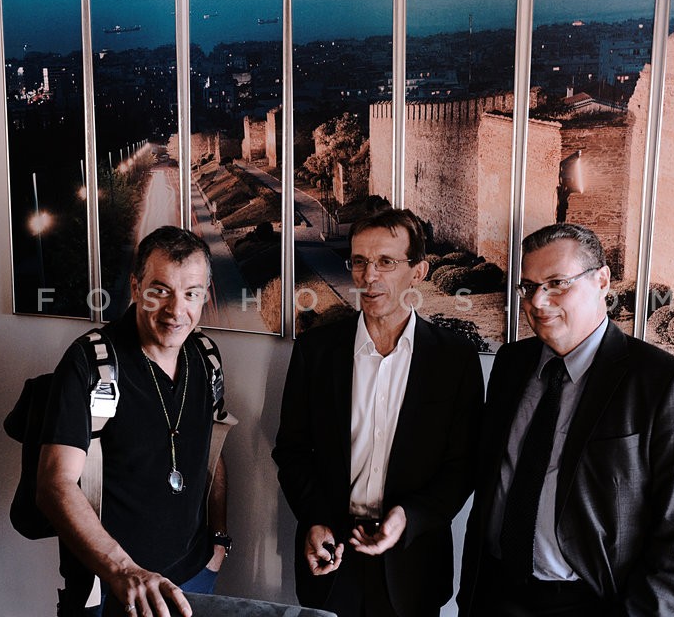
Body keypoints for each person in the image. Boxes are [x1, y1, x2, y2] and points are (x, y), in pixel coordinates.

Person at [457, 223, 674, 617]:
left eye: (557, 283)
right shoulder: (511, 364)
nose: (538, 301)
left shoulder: (664, 382)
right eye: (528, 287)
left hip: (599, 602)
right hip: (497, 595)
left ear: (602, 281)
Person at [273, 207, 484, 617]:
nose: (369, 276)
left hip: (413, 564)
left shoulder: (454, 359)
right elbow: (292, 450)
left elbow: (463, 467)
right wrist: (315, 518)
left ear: (418, 271)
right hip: (331, 555)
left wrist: (409, 518)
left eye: (386, 262)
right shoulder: (316, 351)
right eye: (359, 262)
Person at [37, 226, 231, 617]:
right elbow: (54, 484)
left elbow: (212, 452)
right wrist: (123, 571)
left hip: (195, 577)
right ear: (135, 287)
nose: (176, 310)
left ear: (205, 295)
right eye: (160, 290)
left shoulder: (205, 356)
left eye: (191, 294)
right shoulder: (91, 362)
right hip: (113, 587)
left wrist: (219, 540)